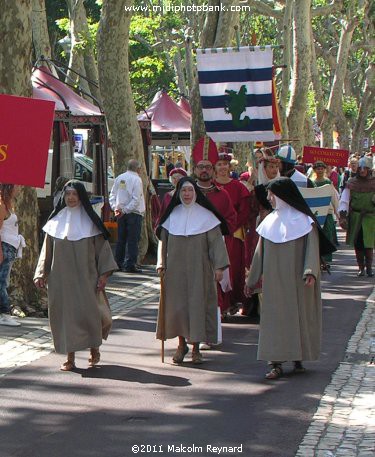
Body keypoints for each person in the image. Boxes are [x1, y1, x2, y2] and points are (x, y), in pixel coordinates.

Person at [244, 177, 336, 380]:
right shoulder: (269, 221)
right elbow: (260, 254)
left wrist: (310, 271)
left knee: (298, 317)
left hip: (299, 280)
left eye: (271, 194)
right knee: (275, 319)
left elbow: (312, 249)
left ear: (283, 196)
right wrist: (251, 280)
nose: (269, 198)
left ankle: (298, 357)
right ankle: (274, 362)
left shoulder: (305, 221)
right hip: (275, 281)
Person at [34, 180, 118, 371]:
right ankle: (70, 357)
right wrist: (41, 274)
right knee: (66, 317)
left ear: (81, 197)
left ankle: (94, 347)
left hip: (87, 277)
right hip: (60, 279)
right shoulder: (55, 222)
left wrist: (104, 275)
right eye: (68, 194)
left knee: (90, 315)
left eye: (74, 194)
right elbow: (46, 252)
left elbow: (103, 252)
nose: (71, 198)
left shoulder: (91, 223)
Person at [156, 177, 229, 365]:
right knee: (178, 307)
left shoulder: (206, 217)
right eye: (183, 191)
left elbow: (216, 243)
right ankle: (182, 345)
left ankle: (196, 347)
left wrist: (219, 267)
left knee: (197, 306)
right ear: (178, 194)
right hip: (175, 270)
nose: (187, 194)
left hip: (200, 269)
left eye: (190, 190)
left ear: (196, 193)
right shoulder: (172, 216)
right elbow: (163, 242)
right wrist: (161, 263)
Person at [192, 137, 237, 323]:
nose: (204, 170)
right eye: (201, 167)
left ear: (213, 170)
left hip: (213, 248)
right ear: (194, 169)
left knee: (213, 289)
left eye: (208, 167)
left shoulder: (222, 194)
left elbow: (231, 219)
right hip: (191, 248)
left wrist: (215, 231)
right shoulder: (186, 193)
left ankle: (212, 331)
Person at [215, 152, 251, 315]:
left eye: (225, 164)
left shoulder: (238, 187)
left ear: (230, 167)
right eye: (219, 164)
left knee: (234, 267)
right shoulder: (210, 186)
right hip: (213, 233)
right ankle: (220, 303)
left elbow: (244, 211)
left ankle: (233, 301)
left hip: (233, 233)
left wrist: (230, 226)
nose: (222, 167)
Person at [339, 155, 375, 277]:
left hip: (370, 218)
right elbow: (344, 200)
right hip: (356, 217)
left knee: (369, 244)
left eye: (365, 168)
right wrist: (343, 216)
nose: (362, 170)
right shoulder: (351, 183)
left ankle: (369, 267)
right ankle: (361, 267)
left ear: (369, 169)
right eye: (360, 168)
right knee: (358, 243)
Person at [109, 159, 145, 273]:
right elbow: (136, 199)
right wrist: (125, 210)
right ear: (138, 168)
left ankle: (118, 262)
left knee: (121, 239)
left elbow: (112, 195)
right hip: (133, 213)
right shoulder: (137, 180)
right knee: (133, 239)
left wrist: (116, 208)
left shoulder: (120, 177)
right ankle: (130, 264)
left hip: (120, 212)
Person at [0, 184, 25, 327]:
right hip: (5, 247)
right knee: (2, 281)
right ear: (9, 188)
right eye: (17, 186)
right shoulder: (2, 206)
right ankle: (4, 313)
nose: (19, 189)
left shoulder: (9, 205)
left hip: (10, 247)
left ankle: (3, 313)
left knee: (4, 281)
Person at [311, 161, 339, 266]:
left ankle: (326, 261)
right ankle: (317, 259)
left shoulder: (328, 183)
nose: (320, 170)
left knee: (327, 236)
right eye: (318, 169)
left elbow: (334, 198)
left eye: (322, 168)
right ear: (315, 170)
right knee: (316, 237)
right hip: (316, 214)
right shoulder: (312, 182)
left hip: (327, 214)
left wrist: (338, 214)